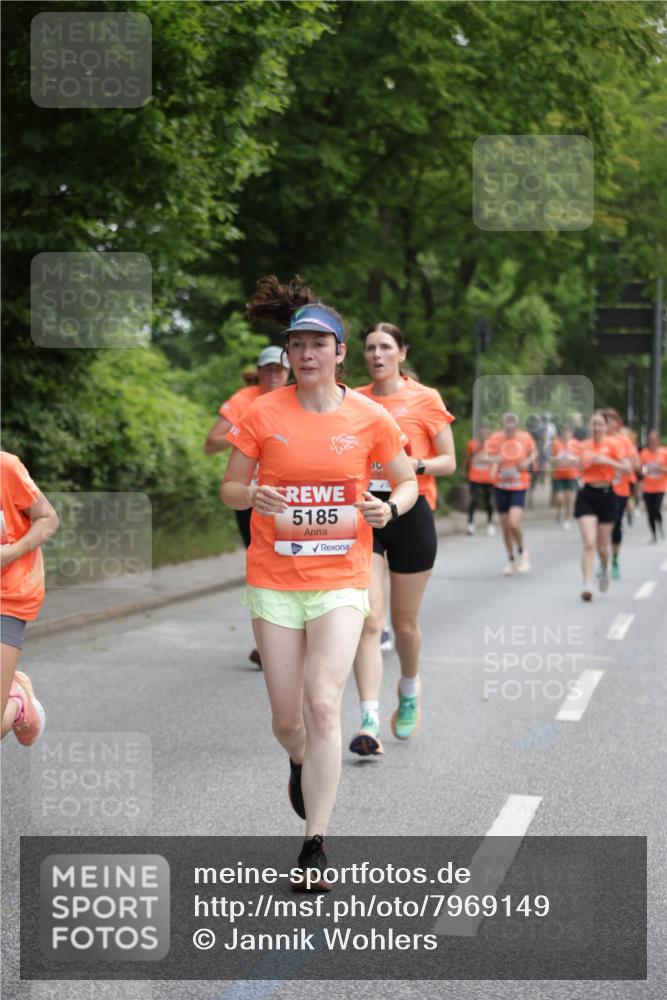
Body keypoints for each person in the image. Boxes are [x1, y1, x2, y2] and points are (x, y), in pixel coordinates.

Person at [220, 276, 417, 887]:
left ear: (339, 353)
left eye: (317, 344)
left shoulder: (370, 417)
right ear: (288, 353)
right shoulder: (261, 412)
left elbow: (405, 480)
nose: (305, 353)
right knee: (288, 720)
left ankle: (315, 845)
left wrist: (392, 507)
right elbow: (228, 487)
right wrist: (251, 494)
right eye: (296, 344)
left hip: (340, 577)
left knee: (325, 703)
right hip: (275, 579)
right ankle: (299, 760)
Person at [349, 323, 455, 756]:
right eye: (370, 347)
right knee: (370, 620)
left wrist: (415, 466)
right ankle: (369, 720)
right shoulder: (352, 400)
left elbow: (449, 460)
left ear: (402, 353)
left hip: (411, 513)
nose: (376, 354)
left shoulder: (424, 398)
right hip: (364, 515)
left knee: (405, 625)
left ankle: (409, 689)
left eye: (385, 347)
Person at [205, 346, 290, 667]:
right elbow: (210, 444)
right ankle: (270, 641)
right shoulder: (244, 399)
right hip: (250, 495)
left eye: (279, 370)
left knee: (291, 564)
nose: (273, 375)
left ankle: (293, 637)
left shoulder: (298, 398)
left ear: (288, 372)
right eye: (268, 369)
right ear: (259, 371)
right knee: (262, 567)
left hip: (290, 497)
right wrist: (247, 430)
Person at [1, 452, 59, 745]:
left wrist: (11, 552)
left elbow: (48, 518)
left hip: (7, 595)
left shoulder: (5, 467)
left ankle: (18, 699)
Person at [574, 412, 630, 601]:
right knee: (589, 543)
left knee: (602, 546)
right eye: (594, 424)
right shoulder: (583, 446)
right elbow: (572, 465)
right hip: (587, 494)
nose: (597, 428)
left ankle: (605, 568)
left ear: (606, 427)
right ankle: (587, 585)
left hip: (606, 494)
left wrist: (607, 461)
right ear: (590, 427)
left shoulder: (614, 445)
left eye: (600, 425)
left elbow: (628, 468)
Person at [486, 413, 537, 575]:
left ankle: (522, 553)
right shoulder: (495, 438)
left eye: (512, 422)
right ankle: (510, 560)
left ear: (517, 424)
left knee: (514, 523)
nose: (509, 425)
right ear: (502, 423)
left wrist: (527, 462)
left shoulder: (524, 437)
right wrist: (495, 460)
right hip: (501, 485)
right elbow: (486, 454)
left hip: (519, 484)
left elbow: (534, 452)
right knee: (505, 526)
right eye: (506, 422)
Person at [604, 409, 639, 580]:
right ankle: (602, 559)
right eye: (605, 421)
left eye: (610, 421)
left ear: (616, 423)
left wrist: (625, 464)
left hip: (620, 489)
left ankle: (615, 560)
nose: (607, 424)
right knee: (600, 527)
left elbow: (635, 462)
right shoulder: (597, 441)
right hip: (599, 489)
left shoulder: (624, 441)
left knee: (615, 525)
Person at [465, 424, 495, 536]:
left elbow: (497, 460)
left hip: (488, 477)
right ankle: (470, 524)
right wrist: (465, 471)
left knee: (488, 502)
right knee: (473, 499)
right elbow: (467, 458)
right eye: (481, 432)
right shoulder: (472, 444)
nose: (483, 434)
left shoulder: (493, 446)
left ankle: (490, 523)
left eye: (486, 432)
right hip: (475, 476)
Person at [550, 426, 580, 529]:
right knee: (559, 498)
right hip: (559, 475)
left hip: (572, 475)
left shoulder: (576, 444)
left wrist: (573, 459)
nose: (566, 434)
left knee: (570, 499)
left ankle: (568, 519)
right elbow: (551, 458)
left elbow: (581, 459)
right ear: (562, 433)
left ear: (572, 433)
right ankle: (559, 511)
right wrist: (557, 459)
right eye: (565, 432)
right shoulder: (556, 443)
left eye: (568, 432)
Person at [639, 430, 667, 543]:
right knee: (650, 512)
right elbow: (640, 469)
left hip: (660, 486)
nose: (652, 442)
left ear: (658, 440)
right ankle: (654, 535)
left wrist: (660, 469)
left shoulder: (664, 452)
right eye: (650, 439)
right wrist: (643, 471)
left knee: (656, 509)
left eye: (654, 439)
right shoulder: (644, 453)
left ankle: (659, 522)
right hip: (647, 487)